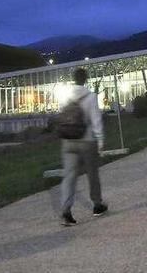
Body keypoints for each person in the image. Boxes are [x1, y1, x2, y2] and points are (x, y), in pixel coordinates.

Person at [59, 67, 107, 226]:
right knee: (92, 174)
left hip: (68, 141)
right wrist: (100, 141)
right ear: (85, 79)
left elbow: (63, 116)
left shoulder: (66, 96)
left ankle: (66, 211)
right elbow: (96, 120)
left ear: (74, 79)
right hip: (87, 141)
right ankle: (97, 205)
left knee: (69, 177)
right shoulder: (91, 96)